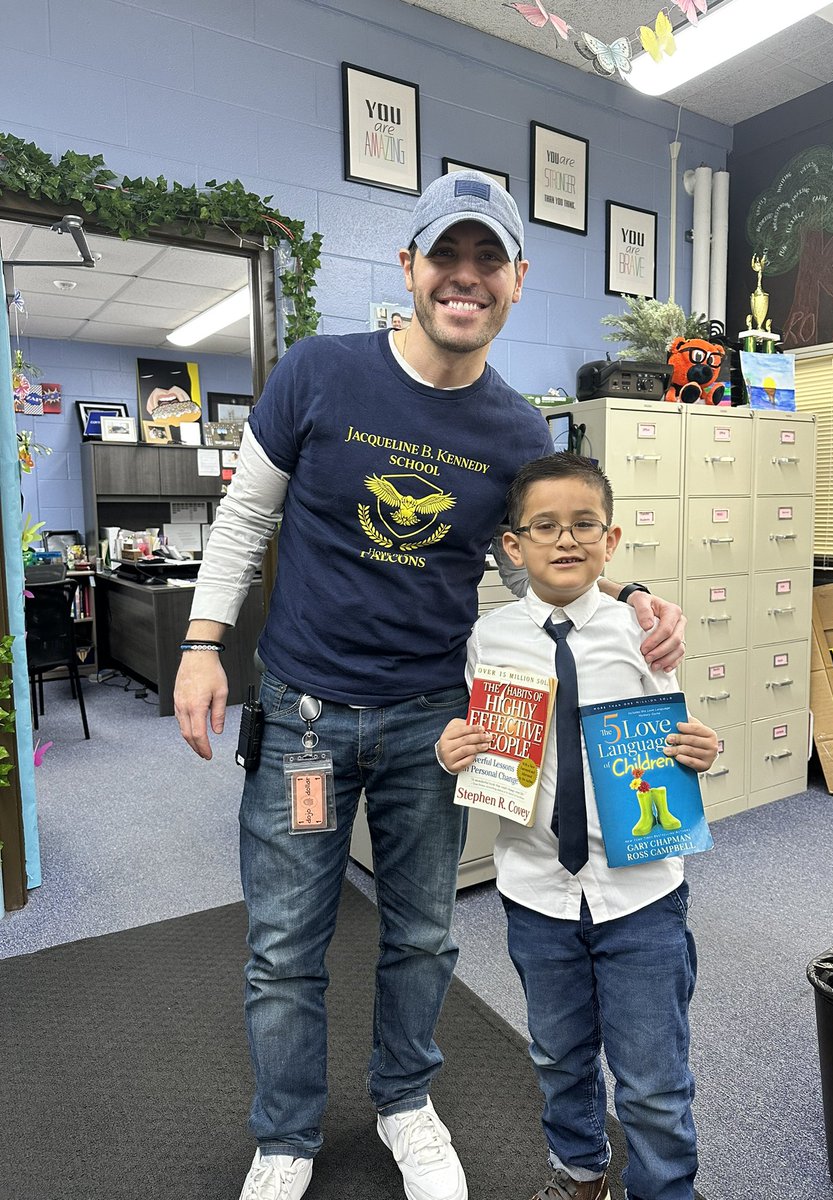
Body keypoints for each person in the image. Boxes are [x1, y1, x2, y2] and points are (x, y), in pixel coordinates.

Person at [173, 170, 687, 1200]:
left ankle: (406, 1103)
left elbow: (523, 558)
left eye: (486, 261)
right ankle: (286, 1134)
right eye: (444, 258)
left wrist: (625, 592)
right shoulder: (319, 373)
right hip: (307, 723)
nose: (464, 279)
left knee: (424, 935)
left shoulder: (513, 434)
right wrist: (199, 642)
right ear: (409, 268)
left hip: (433, 727)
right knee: (284, 946)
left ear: (516, 281)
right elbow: (245, 517)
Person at [437, 452, 718, 1200]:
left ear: (611, 539)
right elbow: (479, 740)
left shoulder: (642, 631)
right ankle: (579, 1170)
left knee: (653, 1075)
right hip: (536, 892)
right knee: (559, 1055)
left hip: (642, 898)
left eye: (583, 525)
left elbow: (677, 735)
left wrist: (703, 748)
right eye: (545, 527)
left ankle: (664, 1190)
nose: (566, 541)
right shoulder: (488, 640)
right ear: (513, 546)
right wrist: (454, 748)